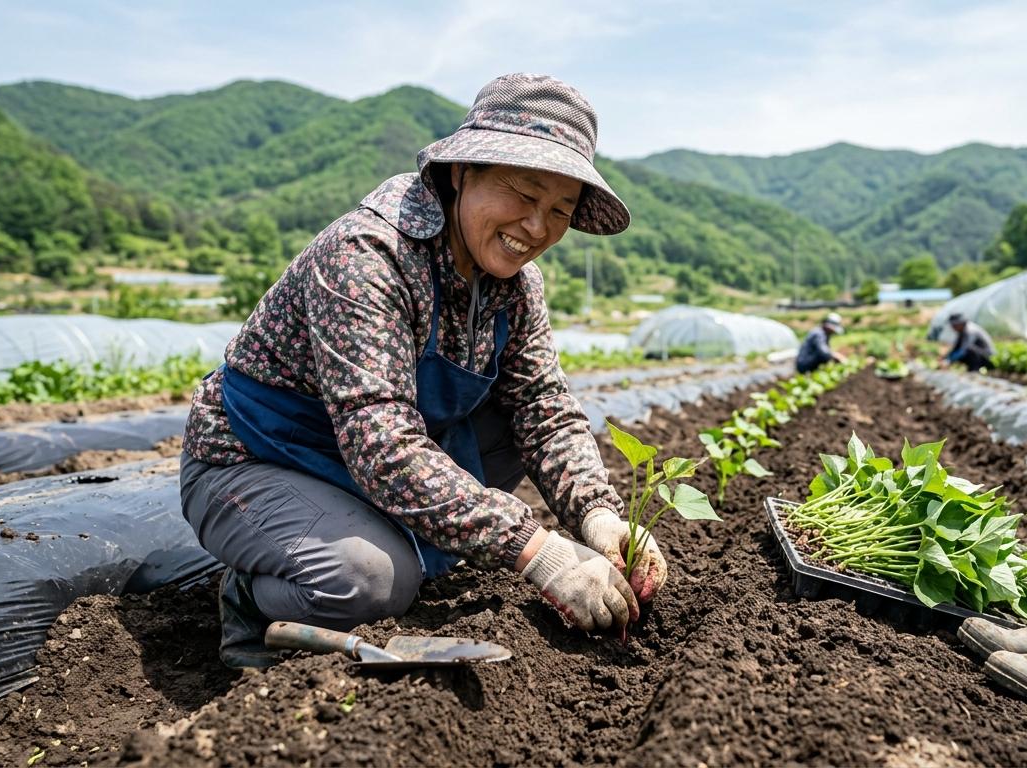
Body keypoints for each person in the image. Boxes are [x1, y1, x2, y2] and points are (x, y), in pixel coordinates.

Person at [179, 74, 667, 668]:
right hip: (257, 459)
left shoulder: (516, 286)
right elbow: (382, 444)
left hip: (359, 461)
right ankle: (253, 603)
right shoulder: (368, 256)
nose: (537, 228)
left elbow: (545, 408)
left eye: (560, 210)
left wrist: (599, 516)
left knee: (516, 421)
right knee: (368, 580)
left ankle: (379, 532)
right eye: (524, 194)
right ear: (463, 172)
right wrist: (539, 552)